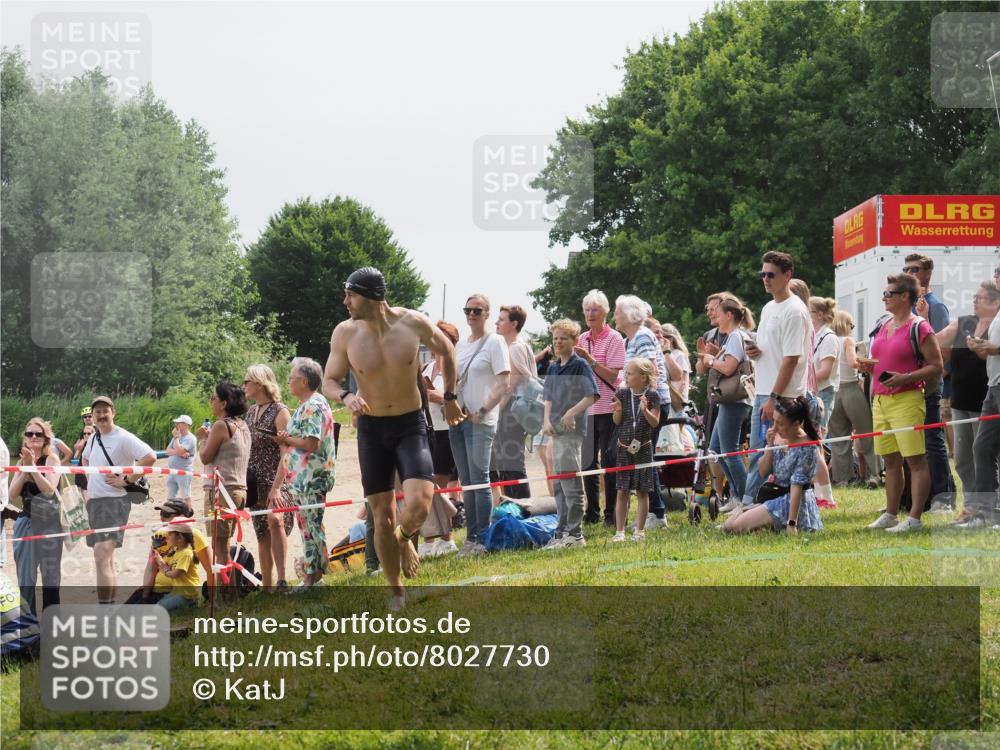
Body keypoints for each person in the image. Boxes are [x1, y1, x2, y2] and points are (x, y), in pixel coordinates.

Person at [323, 267, 462, 610]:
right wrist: (346, 397)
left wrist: (450, 396)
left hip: (409, 425)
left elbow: (447, 351)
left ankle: (403, 540)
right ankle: (396, 590)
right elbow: (329, 379)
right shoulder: (345, 333)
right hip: (372, 430)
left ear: (371, 297)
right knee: (380, 516)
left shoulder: (413, 322)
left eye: (350, 295)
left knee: (419, 505)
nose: (345, 302)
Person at [859, 273, 944, 533]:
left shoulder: (920, 327)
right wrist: (868, 367)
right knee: (890, 461)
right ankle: (891, 513)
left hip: (907, 399)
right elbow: (882, 360)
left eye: (889, 294)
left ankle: (915, 518)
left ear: (905, 296)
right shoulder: (884, 324)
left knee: (915, 461)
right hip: (881, 400)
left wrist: (905, 377)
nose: (884, 298)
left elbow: (937, 366)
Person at [740, 253, 812, 515]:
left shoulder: (794, 311)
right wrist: (755, 351)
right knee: (761, 452)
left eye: (771, 274)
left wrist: (773, 397)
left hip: (783, 395)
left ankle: (752, 506)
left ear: (787, 275)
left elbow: (792, 359)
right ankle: (753, 504)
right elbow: (775, 350)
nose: (765, 279)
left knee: (771, 454)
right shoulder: (769, 307)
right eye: (763, 274)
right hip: (764, 391)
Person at [448, 293, 510, 557]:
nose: (471, 315)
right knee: (467, 481)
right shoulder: (461, 345)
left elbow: (503, 383)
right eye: (468, 310)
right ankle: (471, 539)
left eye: (477, 310)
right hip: (458, 419)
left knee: (480, 479)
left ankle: (481, 538)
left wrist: (483, 409)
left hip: (481, 420)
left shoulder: (495, 342)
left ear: (487, 314)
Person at [935, 280, 1000, 524]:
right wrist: (921, 320)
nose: (974, 300)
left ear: (995, 302)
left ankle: (991, 509)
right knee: (964, 457)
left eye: (980, 297)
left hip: (985, 396)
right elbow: (937, 340)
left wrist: (987, 349)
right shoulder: (965, 323)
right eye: (974, 296)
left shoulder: (996, 324)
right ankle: (973, 507)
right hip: (962, 400)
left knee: (987, 454)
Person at [82, 396, 157, 604]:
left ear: (113, 412)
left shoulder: (123, 437)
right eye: (97, 412)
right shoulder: (93, 438)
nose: (101, 415)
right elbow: (85, 458)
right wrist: (89, 482)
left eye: (105, 411)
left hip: (115, 502)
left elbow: (150, 457)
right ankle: (110, 607)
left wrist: (127, 479)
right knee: (106, 558)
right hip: (95, 502)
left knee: (101, 554)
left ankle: (104, 609)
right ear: (93, 416)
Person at [277, 357, 337, 591]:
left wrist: (285, 439)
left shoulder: (313, 405)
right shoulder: (309, 403)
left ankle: (314, 578)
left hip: (312, 478)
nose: (288, 382)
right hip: (304, 479)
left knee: (311, 528)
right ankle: (312, 577)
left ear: (303, 381)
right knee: (308, 528)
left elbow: (311, 443)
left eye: (291, 378)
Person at [723, 397, 823, 534]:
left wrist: (792, 524)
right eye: (774, 421)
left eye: (780, 424)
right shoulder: (781, 438)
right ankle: (765, 525)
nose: (775, 427)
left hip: (793, 503)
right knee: (729, 524)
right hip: (776, 496)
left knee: (733, 527)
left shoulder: (807, 447)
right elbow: (763, 472)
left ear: (797, 424)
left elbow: (796, 486)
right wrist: (769, 446)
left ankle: (776, 525)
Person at [540, 319, 599, 549]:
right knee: (558, 484)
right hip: (554, 431)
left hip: (571, 432)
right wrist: (546, 420)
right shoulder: (554, 367)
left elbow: (591, 395)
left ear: (574, 341)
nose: (557, 342)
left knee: (570, 483)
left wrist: (572, 412)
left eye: (563, 338)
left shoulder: (580, 365)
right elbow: (548, 398)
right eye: (555, 338)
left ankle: (575, 533)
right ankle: (562, 531)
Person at [614, 294, 670, 528]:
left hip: (648, 406)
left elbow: (651, 374)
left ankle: (656, 513)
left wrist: (643, 407)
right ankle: (654, 512)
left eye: (617, 312)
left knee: (645, 457)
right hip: (638, 406)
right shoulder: (633, 339)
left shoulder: (643, 336)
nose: (614, 317)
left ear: (629, 315)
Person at [904, 254, 953, 513]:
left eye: (916, 268)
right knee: (913, 444)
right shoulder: (909, 307)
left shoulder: (935, 306)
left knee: (933, 441)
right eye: (907, 268)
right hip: (908, 386)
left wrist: (928, 376)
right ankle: (914, 499)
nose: (910, 272)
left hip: (930, 384)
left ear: (928, 273)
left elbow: (944, 353)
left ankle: (944, 497)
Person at [243, 364, 295, 589]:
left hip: (277, 478)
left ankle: (282, 579)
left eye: (247, 381)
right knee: (261, 531)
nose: (244, 385)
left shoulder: (280, 410)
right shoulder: (250, 412)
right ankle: (267, 586)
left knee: (276, 520)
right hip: (254, 481)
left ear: (260, 383)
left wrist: (276, 488)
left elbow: (287, 452)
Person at [576, 289, 625, 526]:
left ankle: (611, 514)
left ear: (605, 312)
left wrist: (591, 360)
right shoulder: (581, 338)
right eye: (587, 310)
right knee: (587, 463)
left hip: (608, 408)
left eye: (595, 309)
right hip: (587, 409)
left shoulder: (614, 338)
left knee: (609, 461)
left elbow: (614, 377)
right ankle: (591, 512)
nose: (590, 314)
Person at [700, 297, 756, 503]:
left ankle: (744, 498)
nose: (715, 316)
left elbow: (728, 368)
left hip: (733, 400)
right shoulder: (739, 336)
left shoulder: (734, 336)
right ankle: (736, 495)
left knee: (729, 451)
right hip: (732, 401)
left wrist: (711, 360)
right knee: (716, 449)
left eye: (719, 312)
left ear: (729, 315)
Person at [197, 381, 251, 591]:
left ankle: (225, 595)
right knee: (225, 544)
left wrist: (203, 439)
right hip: (238, 489)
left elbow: (205, 457)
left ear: (224, 403)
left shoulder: (221, 425)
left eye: (214, 398)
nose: (211, 402)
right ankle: (231, 592)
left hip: (221, 490)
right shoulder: (243, 425)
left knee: (219, 547)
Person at [9, 419, 62, 614]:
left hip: (50, 523)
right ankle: (29, 628)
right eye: (29, 433)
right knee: (25, 576)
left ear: (45, 438)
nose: (33, 437)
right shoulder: (23, 461)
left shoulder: (52, 459)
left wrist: (33, 469)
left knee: (51, 577)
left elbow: (49, 491)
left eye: (38, 434)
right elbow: (12, 494)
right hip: (27, 520)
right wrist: (25, 469)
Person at [422, 321, 462, 557]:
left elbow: (454, 401)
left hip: (448, 431)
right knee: (427, 486)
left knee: (440, 486)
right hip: (427, 430)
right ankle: (429, 539)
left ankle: (446, 537)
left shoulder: (454, 366)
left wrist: (434, 395)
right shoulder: (426, 367)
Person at [610, 358, 660, 542]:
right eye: (626, 372)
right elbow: (617, 421)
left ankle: (639, 530)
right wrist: (616, 411)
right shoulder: (622, 393)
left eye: (630, 373)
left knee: (642, 491)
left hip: (643, 449)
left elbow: (654, 422)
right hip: (624, 449)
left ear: (643, 377)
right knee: (622, 490)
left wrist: (645, 410)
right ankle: (620, 531)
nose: (626, 376)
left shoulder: (653, 396)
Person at [827, 310, 879, 488]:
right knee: (867, 433)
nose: (852, 329)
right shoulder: (848, 340)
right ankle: (875, 474)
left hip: (834, 392)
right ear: (845, 325)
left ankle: (842, 479)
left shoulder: (828, 341)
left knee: (839, 438)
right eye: (851, 325)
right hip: (850, 390)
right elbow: (852, 363)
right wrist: (866, 362)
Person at [964, 278, 1000, 527]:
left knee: (982, 447)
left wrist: (995, 348)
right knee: (981, 448)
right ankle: (986, 514)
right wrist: (982, 349)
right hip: (993, 388)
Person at [491, 304, 535, 502]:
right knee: (505, 463)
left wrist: (494, 412)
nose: (496, 323)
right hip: (509, 410)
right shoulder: (507, 347)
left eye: (501, 319)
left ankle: (522, 509)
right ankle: (512, 508)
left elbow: (511, 386)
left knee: (512, 462)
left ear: (514, 324)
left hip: (513, 411)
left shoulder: (516, 348)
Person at [126, 527, 202, 611]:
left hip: (183, 594)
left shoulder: (185, 554)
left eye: (169, 535)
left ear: (179, 538)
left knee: (156, 609)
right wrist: (156, 553)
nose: (167, 537)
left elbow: (175, 574)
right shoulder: (176, 552)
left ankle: (191, 605)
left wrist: (166, 570)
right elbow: (158, 567)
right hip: (174, 591)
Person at [809, 297, 840, 436]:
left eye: (808, 312)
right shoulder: (813, 335)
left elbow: (825, 372)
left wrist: (803, 381)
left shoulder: (829, 338)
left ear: (820, 315)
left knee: (817, 435)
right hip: (813, 392)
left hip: (823, 392)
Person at [164, 415, 197, 509]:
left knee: (186, 496)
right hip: (172, 471)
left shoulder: (190, 438)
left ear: (186, 425)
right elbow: (167, 451)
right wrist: (178, 452)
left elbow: (178, 450)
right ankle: (170, 514)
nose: (176, 424)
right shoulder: (176, 437)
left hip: (184, 471)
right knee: (170, 496)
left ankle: (188, 515)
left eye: (179, 423)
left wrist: (177, 441)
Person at [661, 323, 692, 404]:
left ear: (670, 339)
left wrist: (679, 400)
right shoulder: (660, 355)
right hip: (666, 400)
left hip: (677, 402)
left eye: (661, 336)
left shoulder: (678, 354)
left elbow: (683, 381)